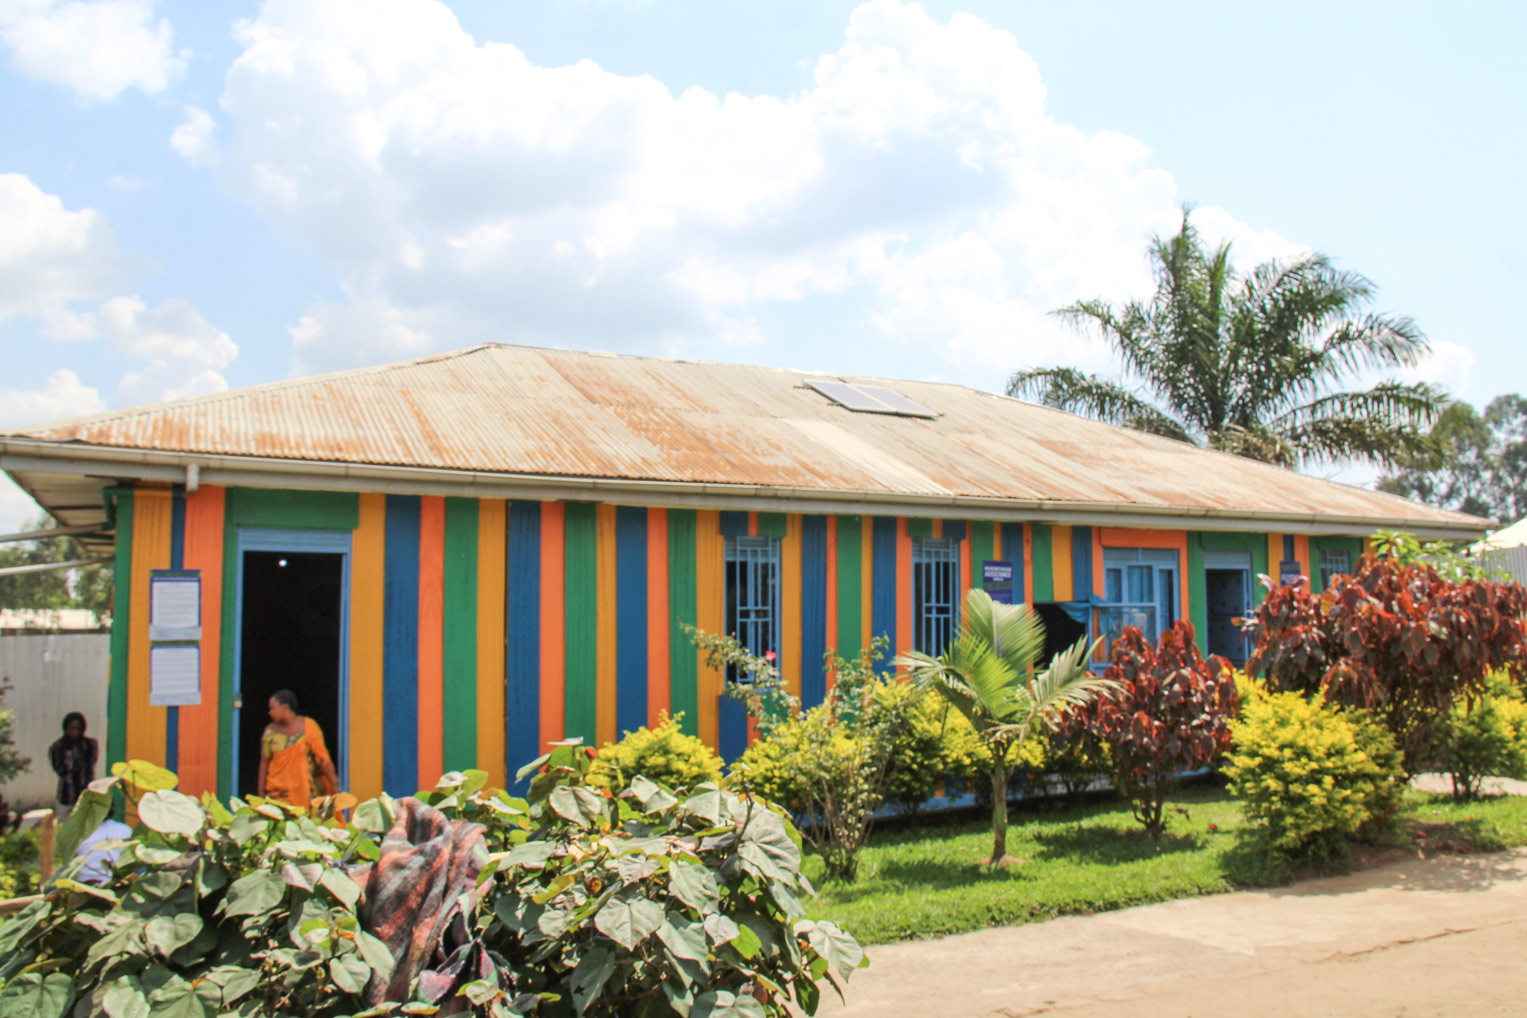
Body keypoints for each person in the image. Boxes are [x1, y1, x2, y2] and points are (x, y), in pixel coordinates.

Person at [256, 689, 338, 809]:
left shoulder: (309, 726)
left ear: (285, 708)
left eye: (272, 708)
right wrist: (260, 791)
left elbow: (322, 758)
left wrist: (333, 783)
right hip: (277, 793)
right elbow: (264, 762)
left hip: (305, 792)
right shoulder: (270, 732)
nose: (270, 712)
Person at [48, 711, 98, 820]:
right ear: (66, 728)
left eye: (78, 729)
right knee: (64, 829)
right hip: (65, 795)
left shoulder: (90, 745)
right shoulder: (57, 748)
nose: (75, 732)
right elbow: (58, 769)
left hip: (85, 796)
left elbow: (90, 766)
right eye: (72, 729)